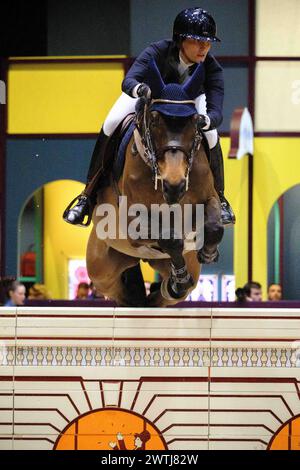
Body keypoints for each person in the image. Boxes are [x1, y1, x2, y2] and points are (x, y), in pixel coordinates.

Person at [63, 7, 235, 227]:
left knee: (211, 135)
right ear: (181, 39)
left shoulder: (212, 68)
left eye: (208, 42)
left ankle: (220, 199)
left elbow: (216, 110)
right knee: (112, 122)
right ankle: (87, 195)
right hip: (151, 97)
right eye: (197, 41)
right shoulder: (157, 51)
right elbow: (129, 81)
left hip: (191, 104)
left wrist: (208, 121)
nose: (204, 48)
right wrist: (141, 90)